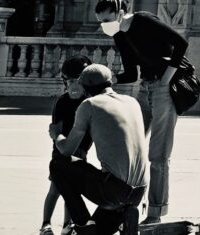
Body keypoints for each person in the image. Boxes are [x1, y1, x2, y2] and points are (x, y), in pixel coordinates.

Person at [94, 0, 187, 225]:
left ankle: (155, 212)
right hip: (145, 88)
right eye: (101, 22)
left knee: (158, 155)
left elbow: (180, 43)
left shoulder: (144, 20)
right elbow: (130, 73)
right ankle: (122, 204)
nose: (104, 26)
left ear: (120, 13)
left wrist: (166, 79)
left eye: (107, 20)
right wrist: (105, 80)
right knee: (129, 146)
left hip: (165, 88)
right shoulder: (119, 35)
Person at [50, 64, 146, 235]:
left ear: (84, 88)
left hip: (114, 191)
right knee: (97, 233)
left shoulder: (89, 104)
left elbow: (67, 150)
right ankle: (126, 216)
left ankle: (83, 223)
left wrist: (56, 135)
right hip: (138, 192)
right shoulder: (132, 102)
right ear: (110, 82)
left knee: (58, 164)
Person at [41, 51, 90, 234]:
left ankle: (67, 225)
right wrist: (61, 148)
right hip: (61, 152)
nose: (74, 85)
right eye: (70, 81)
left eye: (78, 81)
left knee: (72, 192)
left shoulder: (89, 102)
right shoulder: (62, 102)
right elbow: (56, 130)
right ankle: (46, 223)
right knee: (55, 189)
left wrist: (83, 150)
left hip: (80, 153)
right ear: (65, 82)